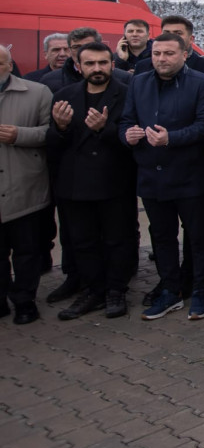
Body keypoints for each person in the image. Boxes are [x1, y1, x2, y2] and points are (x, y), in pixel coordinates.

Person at [119, 32, 204, 321]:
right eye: (157, 53)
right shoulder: (138, 82)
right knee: (161, 237)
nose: (161, 59)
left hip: (190, 175)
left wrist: (170, 138)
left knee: (198, 239)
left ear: (185, 54)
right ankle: (170, 291)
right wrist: (128, 135)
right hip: (152, 175)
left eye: (168, 54)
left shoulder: (202, 83)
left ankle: (200, 292)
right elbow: (126, 120)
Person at [46, 42, 137, 320]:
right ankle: (93, 290)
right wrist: (60, 128)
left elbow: (131, 140)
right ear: (79, 66)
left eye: (102, 63)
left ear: (111, 64)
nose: (97, 69)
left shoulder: (127, 94)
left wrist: (105, 129)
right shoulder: (64, 95)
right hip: (75, 184)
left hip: (114, 181)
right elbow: (52, 144)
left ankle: (115, 290)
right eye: (90, 63)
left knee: (117, 239)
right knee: (82, 241)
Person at [0, 44, 53, 324]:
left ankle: (24, 301)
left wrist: (20, 134)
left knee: (26, 252)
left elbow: (51, 132)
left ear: (10, 65)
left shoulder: (37, 92)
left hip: (25, 186)